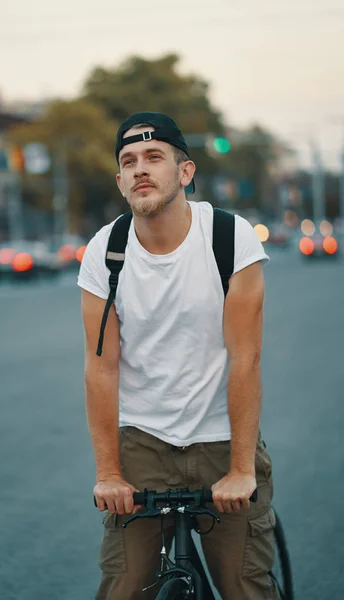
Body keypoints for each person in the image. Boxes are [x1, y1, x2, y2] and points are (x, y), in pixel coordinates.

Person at [78, 112, 280, 600]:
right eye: (129, 161)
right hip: (143, 444)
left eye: (154, 157)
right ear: (121, 179)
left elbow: (245, 358)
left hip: (221, 439)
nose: (140, 169)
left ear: (185, 172)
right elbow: (101, 369)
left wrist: (240, 470)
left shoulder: (231, 240)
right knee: (122, 589)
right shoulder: (107, 252)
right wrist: (108, 474)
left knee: (244, 587)